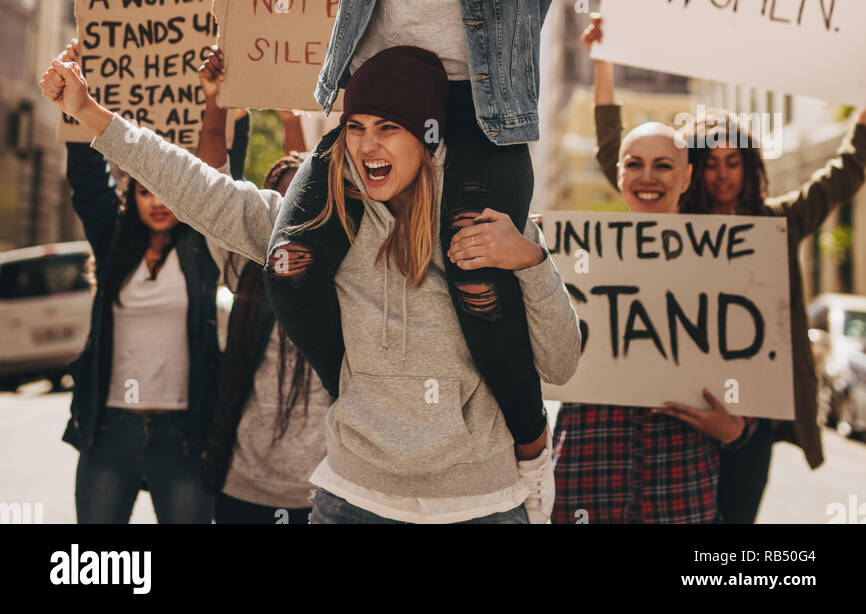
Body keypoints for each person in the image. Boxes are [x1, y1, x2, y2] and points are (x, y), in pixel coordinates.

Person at [146, 0, 576, 515]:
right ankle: (360, 397)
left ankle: (527, 438)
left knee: (473, 277)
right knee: (291, 262)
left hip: (480, 123)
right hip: (378, 109)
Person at [40, 44, 581, 525]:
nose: (368, 145)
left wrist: (533, 261)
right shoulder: (322, 230)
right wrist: (90, 114)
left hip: (479, 506)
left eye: (388, 128)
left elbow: (561, 363)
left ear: (428, 139)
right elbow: (201, 189)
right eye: (356, 126)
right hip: (351, 499)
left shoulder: (489, 231)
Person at [582, 12, 866, 521]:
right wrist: (604, 63)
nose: (722, 174)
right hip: (683, 410)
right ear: (692, 169)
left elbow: (845, 172)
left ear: (750, 166)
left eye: (733, 162)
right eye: (710, 163)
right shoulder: (671, 220)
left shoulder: (778, 221)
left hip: (748, 417)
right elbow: (616, 155)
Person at [551, 48, 755, 524]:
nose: (648, 177)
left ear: (686, 178)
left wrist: (732, 428)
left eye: (663, 165)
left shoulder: (724, 266)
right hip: (587, 480)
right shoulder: (575, 260)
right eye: (634, 164)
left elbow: (752, 391)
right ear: (618, 174)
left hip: (679, 490)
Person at [59, 41, 219, 525]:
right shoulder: (113, 243)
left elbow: (216, 177)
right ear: (133, 191)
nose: (157, 201)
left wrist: (217, 99)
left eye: (167, 189)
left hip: (183, 436)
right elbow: (88, 184)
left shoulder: (200, 247)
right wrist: (73, 105)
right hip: (110, 432)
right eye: (146, 189)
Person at [193, 49, 330, 525]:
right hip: (243, 490)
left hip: (327, 497)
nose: (294, 219)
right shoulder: (247, 267)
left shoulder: (345, 280)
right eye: (282, 209)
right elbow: (211, 181)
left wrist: (294, 114)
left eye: (305, 208)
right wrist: (216, 105)